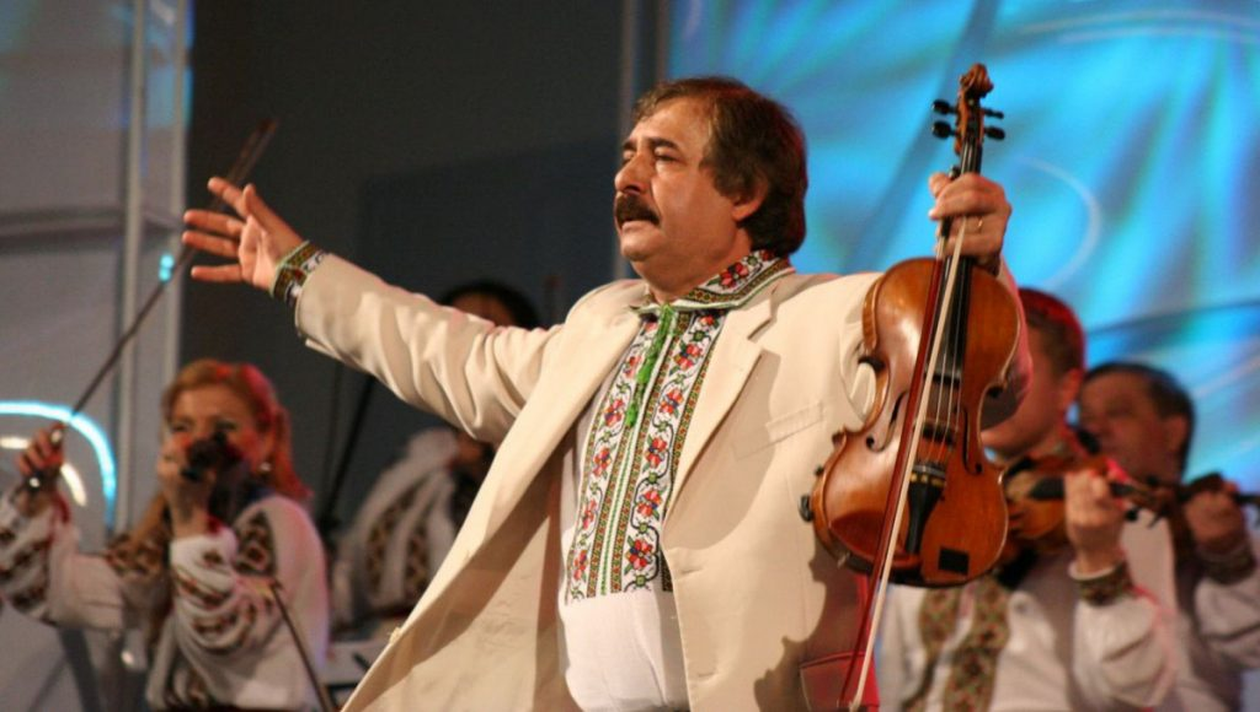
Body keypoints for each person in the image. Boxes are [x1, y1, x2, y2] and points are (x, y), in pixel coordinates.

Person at [182, 76, 1031, 709]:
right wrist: (299, 274)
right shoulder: (603, 323)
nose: (629, 176)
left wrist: (983, 266)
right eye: (627, 154)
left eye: (664, 157)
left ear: (744, 193)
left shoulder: (838, 313)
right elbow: (446, 352)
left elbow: (981, 391)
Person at [877, 289, 1177, 710]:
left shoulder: (1120, 509)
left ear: (1067, 388)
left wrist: (1100, 559)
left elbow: (1136, 690)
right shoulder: (935, 496)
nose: (987, 388)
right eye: (975, 367)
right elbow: (895, 670)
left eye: (1011, 370)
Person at [0, 359, 329, 709]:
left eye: (223, 428)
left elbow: (221, 634)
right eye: (182, 427)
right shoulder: (169, 535)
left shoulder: (279, 522)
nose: (200, 442)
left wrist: (191, 519)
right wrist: (37, 493)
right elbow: (57, 593)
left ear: (267, 438)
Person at [331, 280, 541, 638]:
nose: (467, 346)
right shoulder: (423, 452)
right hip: (388, 640)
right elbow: (356, 560)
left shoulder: (532, 442)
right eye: (455, 328)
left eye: (487, 329)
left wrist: (478, 474)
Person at [1078, 362, 1260, 711]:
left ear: (1174, 433)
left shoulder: (1220, 521)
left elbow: (1250, 650)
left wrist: (1228, 556)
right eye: (1085, 419)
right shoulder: (1064, 529)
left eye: (1117, 413)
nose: (1095, 429)